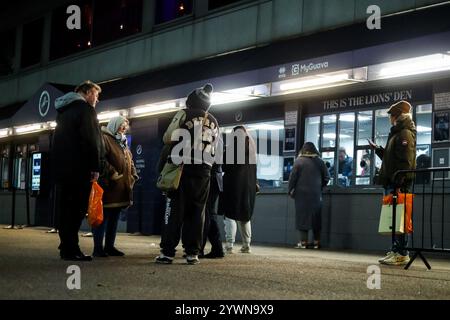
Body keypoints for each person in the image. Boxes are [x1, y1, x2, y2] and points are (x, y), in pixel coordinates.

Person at [155, 84, 219, 265]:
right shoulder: (214, 120)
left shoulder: (184, 114)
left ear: (190, 101)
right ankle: (192, 253)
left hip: (182, 168)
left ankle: (167, 253)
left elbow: (168, 137)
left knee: (174, 211)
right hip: (205, 171)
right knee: (197, 212)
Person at [52, 80, 103, 261]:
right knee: (77, 210)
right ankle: (71, 249)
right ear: (87, 92)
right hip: (79, 169)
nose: (97, 100)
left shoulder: (63, 112)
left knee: (65, 209)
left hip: (63, 169)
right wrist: (95, 167)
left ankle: (66, 245)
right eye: (96, 95)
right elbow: (91, 141)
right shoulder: (85, 110)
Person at [368, 100, 416, 266]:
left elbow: (406, 161)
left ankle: (402, 253)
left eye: (391, 115)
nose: (389, 118)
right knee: (394, 220)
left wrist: (399, 182)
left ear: (397, 116)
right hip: (392, 182)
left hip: (398, 183)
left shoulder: (404, 133)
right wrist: (379, 150)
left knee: (400, 218)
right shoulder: (396, 133)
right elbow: (392, 159)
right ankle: (396, 250)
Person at [92, 116, 138, 257]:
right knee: (102, 218)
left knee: (114, 218)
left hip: (121, 187)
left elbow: (129, 159)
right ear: (114, 125)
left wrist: (133, 174)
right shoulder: (105, 138)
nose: (123, 128)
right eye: (121, 125)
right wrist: (113, 173)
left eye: (125, 126)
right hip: (109, 186)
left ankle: (110, 246)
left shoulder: (123, 142)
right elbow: (102, 159)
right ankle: (98, 248)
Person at [221, 126, 257, 254]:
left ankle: (229, 245)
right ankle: (246, 245)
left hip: (233, 185)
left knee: (230, 215)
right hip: (249, 187)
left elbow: (224, 166)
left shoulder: (232, 148)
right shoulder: (252, 150)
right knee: (245, 216)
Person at [288, 142, 330, 249]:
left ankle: (303, 243)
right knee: (316, 218)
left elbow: (292, 178)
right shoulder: (320, 162)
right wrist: (319, 187)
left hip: (301, 195)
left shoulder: (298, 161)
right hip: (316, 195)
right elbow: (327, 177)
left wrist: (290, 190)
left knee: (302, 218)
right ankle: (316, 242)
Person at [200, 163, 225, 259]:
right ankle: (217, 248)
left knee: (206, 214)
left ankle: (199, 249)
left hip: (209, 178)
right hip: (216, 178)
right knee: (209, 214)